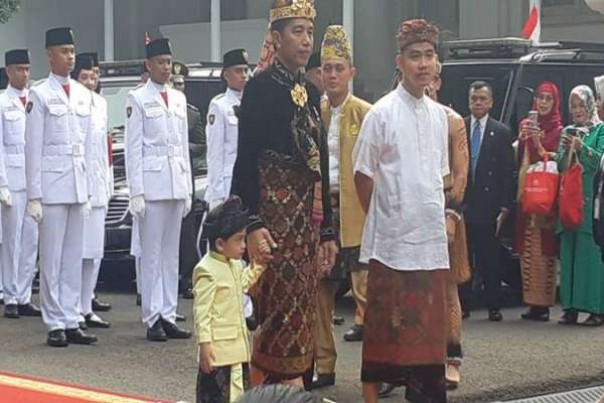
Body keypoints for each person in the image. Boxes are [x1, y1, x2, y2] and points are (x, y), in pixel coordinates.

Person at [231, 0, 337, 388]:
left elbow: (320, 165)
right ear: (275, 38)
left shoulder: (309, 91)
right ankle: (272, 392)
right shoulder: (259, 88)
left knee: (304, 312)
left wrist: (328, 231)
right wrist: (253, 224)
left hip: (306, 226)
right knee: (277, 313)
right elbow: (244, 162)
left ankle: (293, 390)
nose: (306, 41)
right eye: (297, 31)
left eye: (310, 32)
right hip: (274, 225)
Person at [353, 19, 449, 403]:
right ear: (400, 62)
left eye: (428, 56)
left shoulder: (440, 115)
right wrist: (387, 216)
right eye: (414, 56)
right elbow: (362, 176)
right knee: (384, 337)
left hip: (430, 244)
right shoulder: (381, 113)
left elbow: (439, 179)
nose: (423, 64)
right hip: (392, 246)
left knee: (429, 340)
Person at [26, 27, 98, 347]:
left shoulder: (83, 95)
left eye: (72, 51)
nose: (69, 57)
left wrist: (91, 187)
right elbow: (33, 148)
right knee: (52, 257)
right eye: (63, 51)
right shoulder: (39, 94)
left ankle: (71, 318)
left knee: (73, 256)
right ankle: (54, 320)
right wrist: (34, 195)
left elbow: (89, 146)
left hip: (78, 183)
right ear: (49, 55)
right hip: (52, 186)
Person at [311, 25, 371, 391]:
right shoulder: (311, 112)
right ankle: (324, 365)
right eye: (326, 68)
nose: (332, 75)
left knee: (369, 297)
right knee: (320, 294)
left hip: (360, 215)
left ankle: (382, 367)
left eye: (339, 68)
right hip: (324, 216)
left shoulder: (366, 113)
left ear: (352, 73)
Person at [125, 37, 193, 341]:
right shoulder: (137, 98)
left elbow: (183, 147)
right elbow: (133, 148)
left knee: (171, 255)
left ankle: (168, 313)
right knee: (151, 255)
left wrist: (188, 187)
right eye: (160, 62)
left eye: (169, 61)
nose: (166, 67)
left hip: (176, 181)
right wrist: (136, 191)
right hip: (152, 184)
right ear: (149, 65)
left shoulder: (178, 99)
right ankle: (152, 316)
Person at [193, 196, 267, 403]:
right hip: (219, 352)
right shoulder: (206, 270)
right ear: (219, 243)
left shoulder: (234, 264)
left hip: (238, 349)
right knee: (216, 397)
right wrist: (205, 345)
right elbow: (202, 312)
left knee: (240, 395)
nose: (244, 245)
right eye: (239, 239)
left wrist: (258, 267)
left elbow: (241, 284)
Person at [462, 80, 515, 322]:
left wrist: (505, 206)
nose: (478, 103)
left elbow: (507, 172)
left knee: (489, 257)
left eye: (482, 99)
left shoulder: (501, 131)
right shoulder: (459, 127)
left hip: (489, 204)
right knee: (464, 257)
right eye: (474, 99)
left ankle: (493, 305)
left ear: (491, 102)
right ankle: (463, 303)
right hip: (464, 203)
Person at [555, 85, 604, 327]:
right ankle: (570, 307)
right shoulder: (568, 130)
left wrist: (581, 148)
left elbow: (599, 162)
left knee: (590, 255)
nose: (576, 111)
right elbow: (560, 166)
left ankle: (595, 308)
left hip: (591, 200)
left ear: (590, 106)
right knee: (569, 252)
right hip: (568, 200)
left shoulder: (601, 130)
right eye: (573, 106)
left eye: (581, 106)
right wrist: (565, 150)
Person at [516, 81, 563, 322]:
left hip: (546, 197)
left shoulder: (559, 129)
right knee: (528, 248)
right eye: (540, 98)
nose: (543, 103)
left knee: (545, 250)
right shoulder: (527, 124)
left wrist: (537, 144)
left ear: (555, 103)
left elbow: (557, 161)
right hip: (528, 193)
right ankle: (531, 302)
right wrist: (523, 140)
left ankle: (544, 303)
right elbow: (518, 159)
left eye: (548, 99)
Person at [70, 54, 111, 329]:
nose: (90, 81)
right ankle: (72, 308)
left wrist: (107, 184)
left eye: (94, 76)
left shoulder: (102, 104)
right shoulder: (72, 103)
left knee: (94, 252)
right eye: (84, 76)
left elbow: (104, 149)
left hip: (98, 185)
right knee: (76, 253)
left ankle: (86, 305)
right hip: (77, 187)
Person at [0, 49, 41, 319]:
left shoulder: (35, 100)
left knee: (31, 240)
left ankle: (25, 293)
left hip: (34, 181)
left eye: (27, 69)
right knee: (11, 240)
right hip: (12, 180)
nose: (24, 74)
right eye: (18, 69)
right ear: (7, 72)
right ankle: (10, 294)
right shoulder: (2, 103)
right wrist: (1, 183)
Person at [170, 60, 205, 301]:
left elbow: (201, 145)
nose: (178, 87)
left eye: (181, 83)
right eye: (175, 83)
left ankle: (185, 279)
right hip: (164, 177)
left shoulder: (192, 114)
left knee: (186, 233)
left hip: (186, 177)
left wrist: (182, 147)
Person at [205, 49, 249, 210]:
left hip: (250, 178)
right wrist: (216, 193)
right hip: (228, 182)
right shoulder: (219, 105)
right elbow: (215, 152)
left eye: (245, 70)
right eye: (238, 71)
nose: (243, 75)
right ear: (226, 75)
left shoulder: (253, 102)